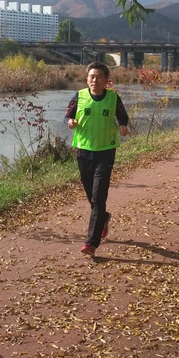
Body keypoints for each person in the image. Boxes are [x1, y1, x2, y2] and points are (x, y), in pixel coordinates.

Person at [65, 62, 129, 257]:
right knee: (91, 196)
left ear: (106, 80)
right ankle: (103, 217)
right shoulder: (79, 96)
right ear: (87, 79)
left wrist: (123, 126)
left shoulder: (113, 98)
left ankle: (91, 243)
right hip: (84, 151)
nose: (95, 80)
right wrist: (70, 121)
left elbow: (123, 117)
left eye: (99, 77)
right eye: (92, 76)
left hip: (106, 150)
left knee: (98, 196)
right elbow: (68, 116)